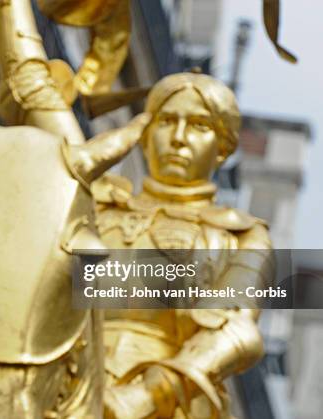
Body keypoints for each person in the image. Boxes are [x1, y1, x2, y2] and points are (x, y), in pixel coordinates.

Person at [93, 73, 274, 418]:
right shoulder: (98, 208)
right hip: (70, 381)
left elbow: (232, 330)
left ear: (222, 147)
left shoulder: (241, 237)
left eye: (198, 126)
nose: (178, 138)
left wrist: (145, 396)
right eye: (166, 122)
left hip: (166, 404)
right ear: (144, 135)